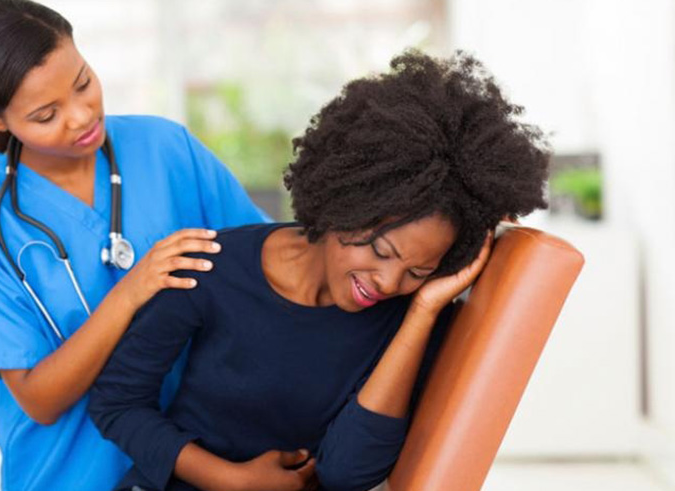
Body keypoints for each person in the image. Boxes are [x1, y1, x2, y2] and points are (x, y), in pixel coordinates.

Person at [88, 50, 550, 491]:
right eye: (382, 251)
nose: (389, 282)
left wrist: (424, 310)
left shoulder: (411, 317)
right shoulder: (211, 266)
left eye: (418, 271)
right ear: (342, 205)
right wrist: (229, 480)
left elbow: (348, 473)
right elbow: (117, 401)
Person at [0, 0, 268, 489]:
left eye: (83, 83)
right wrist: (131, 290)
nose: (81, 116)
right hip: (68, 475)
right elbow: (39, 399)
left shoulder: (165, 149)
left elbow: (267, 269)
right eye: (46, 115)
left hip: (204, 463)